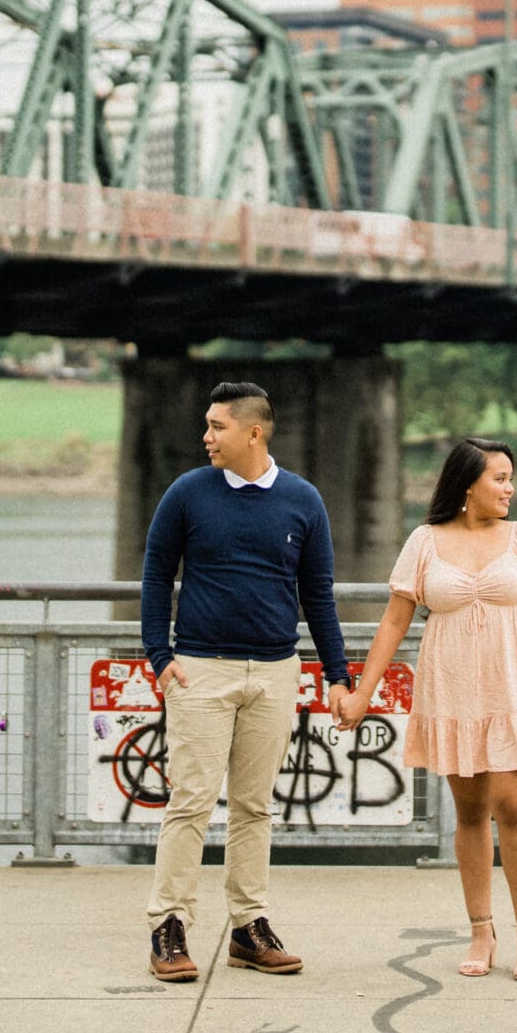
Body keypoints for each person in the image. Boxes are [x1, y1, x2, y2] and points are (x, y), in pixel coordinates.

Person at [138, 380, 355, 983]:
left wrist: (338, 676)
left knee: (255, 807)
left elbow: (318, 596)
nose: (206, 437)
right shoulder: (187, 493)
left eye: (218, 427)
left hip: (276, 672)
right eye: (207, 426)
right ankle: (169, 926)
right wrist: (159, 656)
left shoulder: (302, 500)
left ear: (253, 432)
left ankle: (248, 927)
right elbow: (155, 576)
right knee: (190, 803)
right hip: (201, 670)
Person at [340, 435, 517, 983]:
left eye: (510, 479)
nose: (509, 489)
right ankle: (481, 930)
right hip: (453, 695)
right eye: (499, 479)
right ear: (467, 485)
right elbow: (394, 621)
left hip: (514, 692)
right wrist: (363, 693)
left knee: (513, 807)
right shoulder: (425, 541)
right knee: (470, 813)